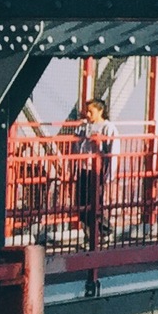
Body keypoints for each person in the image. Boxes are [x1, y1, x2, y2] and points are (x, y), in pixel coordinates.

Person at [67, 98, 115, 282]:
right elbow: (75, 145)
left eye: (91, 111)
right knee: (81, 205)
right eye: (87, 111)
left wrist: (108, 174)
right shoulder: (83, 127)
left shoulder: (108, 127)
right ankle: (94, 237)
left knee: (94, 204)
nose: (87, 114)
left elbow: (112, 150)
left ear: (100, 111)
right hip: (84, 170)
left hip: (97, 171)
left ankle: (102, 232)